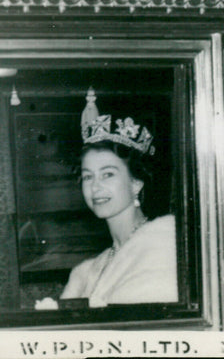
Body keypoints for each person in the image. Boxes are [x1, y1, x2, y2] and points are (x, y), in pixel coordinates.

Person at [60, 113, 177, 306]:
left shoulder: (162, 245)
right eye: (88, 177)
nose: (95, 187)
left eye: (108, 174)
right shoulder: (89, 270)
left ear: (136, 183)